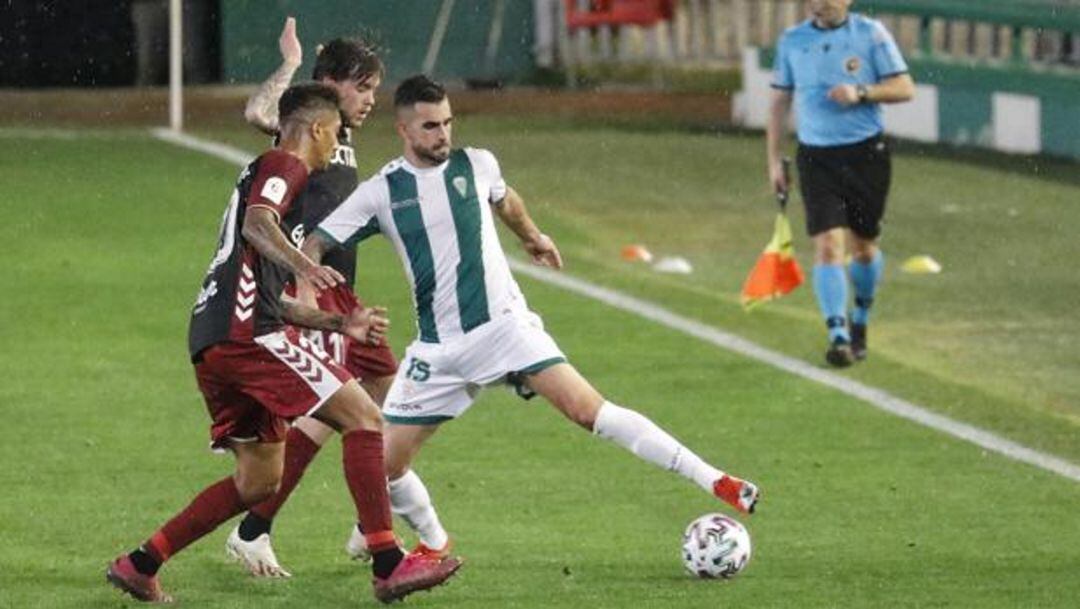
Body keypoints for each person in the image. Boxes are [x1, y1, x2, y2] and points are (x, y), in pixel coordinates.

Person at [299, 75, 761, 564]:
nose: (443, 135)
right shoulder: (381, 192)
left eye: (448, 123)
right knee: (380, 467)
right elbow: (316, 242)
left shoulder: (476, 164)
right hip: (438, 350)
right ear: (404, 130)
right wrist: (307, 290)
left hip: (504, 328)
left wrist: (532, 235)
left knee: (590, 412)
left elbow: (506, 199)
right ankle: (434, 542)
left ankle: (715, 480)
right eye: (430, 126)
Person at [105, 83, 461, 604]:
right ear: (317, 130)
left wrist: (341, 326)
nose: (332, 149)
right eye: (334, 136)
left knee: (258, 484)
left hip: (216, 336)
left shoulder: (261, 174)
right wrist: (306, 265)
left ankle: (141, 563)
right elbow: (257, 226)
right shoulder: (284, 165)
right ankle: (388, 562)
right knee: (363, 417)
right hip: (248, 335)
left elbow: (265, 289)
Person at [224, 18, 403, 578]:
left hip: (339, 289)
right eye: (364, 87)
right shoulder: (311, 130)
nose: (372, 99)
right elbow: (259, 113)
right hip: (306, 288)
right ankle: (260, 528)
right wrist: (292, 66)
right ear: (332, 85)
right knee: (346, 411)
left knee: (379, 384)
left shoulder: (340, 138)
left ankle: (359, 515)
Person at [765, 0, 915, 366]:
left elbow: (904, 87)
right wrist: (773, 160)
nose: (818, 5)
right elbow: (779, 102)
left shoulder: (871, 34)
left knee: (863, 248)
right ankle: (838, 336)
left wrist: (862, 92)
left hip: (867, 155)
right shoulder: (792, 41)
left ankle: (859, 318)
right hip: (817, 158)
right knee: (829, 245)